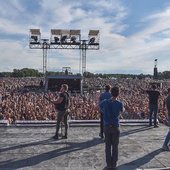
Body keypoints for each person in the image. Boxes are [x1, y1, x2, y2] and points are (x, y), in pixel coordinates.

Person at [100, 86, 124, 169]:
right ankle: (114, 164)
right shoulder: (120, 103)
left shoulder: (105, 102)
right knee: (115, 146)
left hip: (106, 126)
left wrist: (104, 112)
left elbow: (99, 107)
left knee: (107, 146)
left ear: (111, 93)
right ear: (118, 94)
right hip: (115, 126)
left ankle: (109, 164)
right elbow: (122, 111)